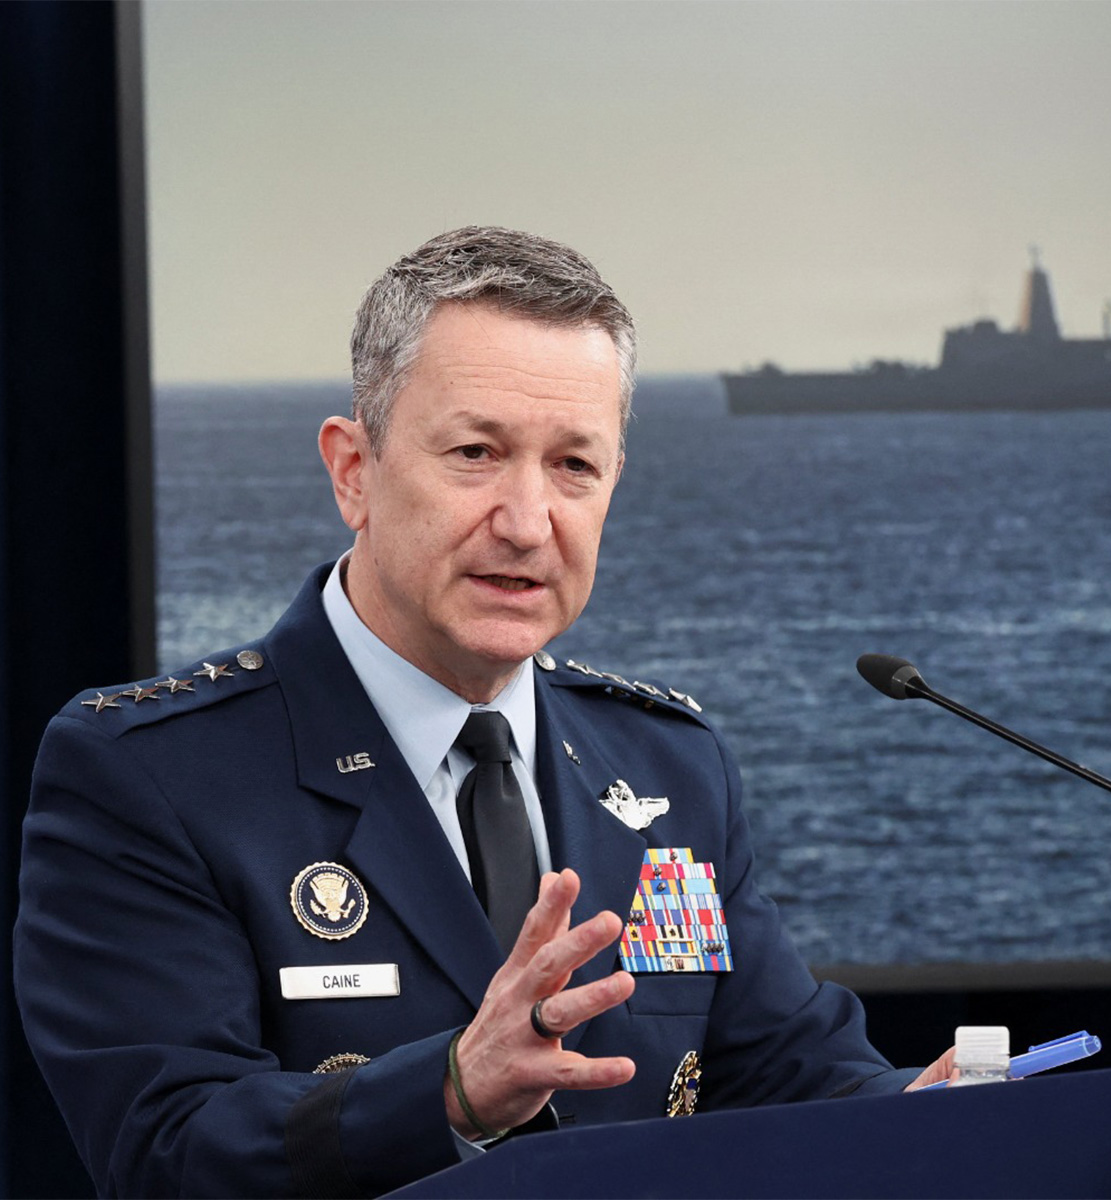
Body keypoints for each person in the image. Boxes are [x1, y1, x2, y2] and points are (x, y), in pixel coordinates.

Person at [15, 227, 952, 1198]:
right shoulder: (149, 772)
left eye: (574, 467)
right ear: (353, 471)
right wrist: (449, 1095)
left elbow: (779, 1075)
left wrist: (934, 1108)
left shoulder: (669, 765)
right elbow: (165, 1148)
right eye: (476, 452)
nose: (526, 519)